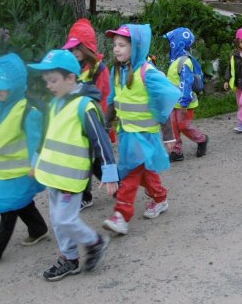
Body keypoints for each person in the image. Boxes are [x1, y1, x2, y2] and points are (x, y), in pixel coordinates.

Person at [27, 49, 117, 281]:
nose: (49, 86)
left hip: (71, 178)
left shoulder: (85, 107)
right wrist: (36, 161)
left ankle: (95, 242)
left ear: (70, 78)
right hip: (52, 174)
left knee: (65, 219)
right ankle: (70, 259)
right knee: (58, 221)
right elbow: (46, 136)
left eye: (53, 80)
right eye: (47, 81)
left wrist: (109, 173)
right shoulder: (54, 104)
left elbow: (101, 141)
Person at [102, 24, 181, 235]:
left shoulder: (148, 73)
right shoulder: (116, 71)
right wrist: (105, 125)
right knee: (144, 171)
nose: (116, 49)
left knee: (130, 172)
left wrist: (168, 135)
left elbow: (163, 104)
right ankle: (160, 198)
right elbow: (113, 101)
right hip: (127, 133)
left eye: (122, 45)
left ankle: (121, 216)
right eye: (115, 45)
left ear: (136, 47)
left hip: (145, 136)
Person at [0, 53, 48, 263]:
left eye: (5, 87)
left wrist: (36, 165)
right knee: (21, 203)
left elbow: (36, 142)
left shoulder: (28, 112)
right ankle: (38, 228)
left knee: (8, 208)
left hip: (21, 173)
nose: (0, 91)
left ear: (16, 87)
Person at [62, 17, 111, 211]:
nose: (74, 52)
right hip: (76, 122)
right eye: (72, 48)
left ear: (87, 47)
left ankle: (114, 187)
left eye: (78, 48)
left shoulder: (100, 69)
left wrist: (104, 125)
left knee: (94, 159)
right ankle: (88, 194)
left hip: (93, 120)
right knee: (85, 159)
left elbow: (105, 97)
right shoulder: (73, 67)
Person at [164, 27, 208, 159]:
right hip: (173, 101)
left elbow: (187, 82)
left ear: (178, 43)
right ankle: (176, 151)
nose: (169, 46)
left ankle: (201, 139)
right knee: (173, 126)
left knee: (183, 125)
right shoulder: (174, 60)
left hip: (185, 102)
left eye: (171, 42)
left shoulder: (184, 61)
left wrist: (184, 102)